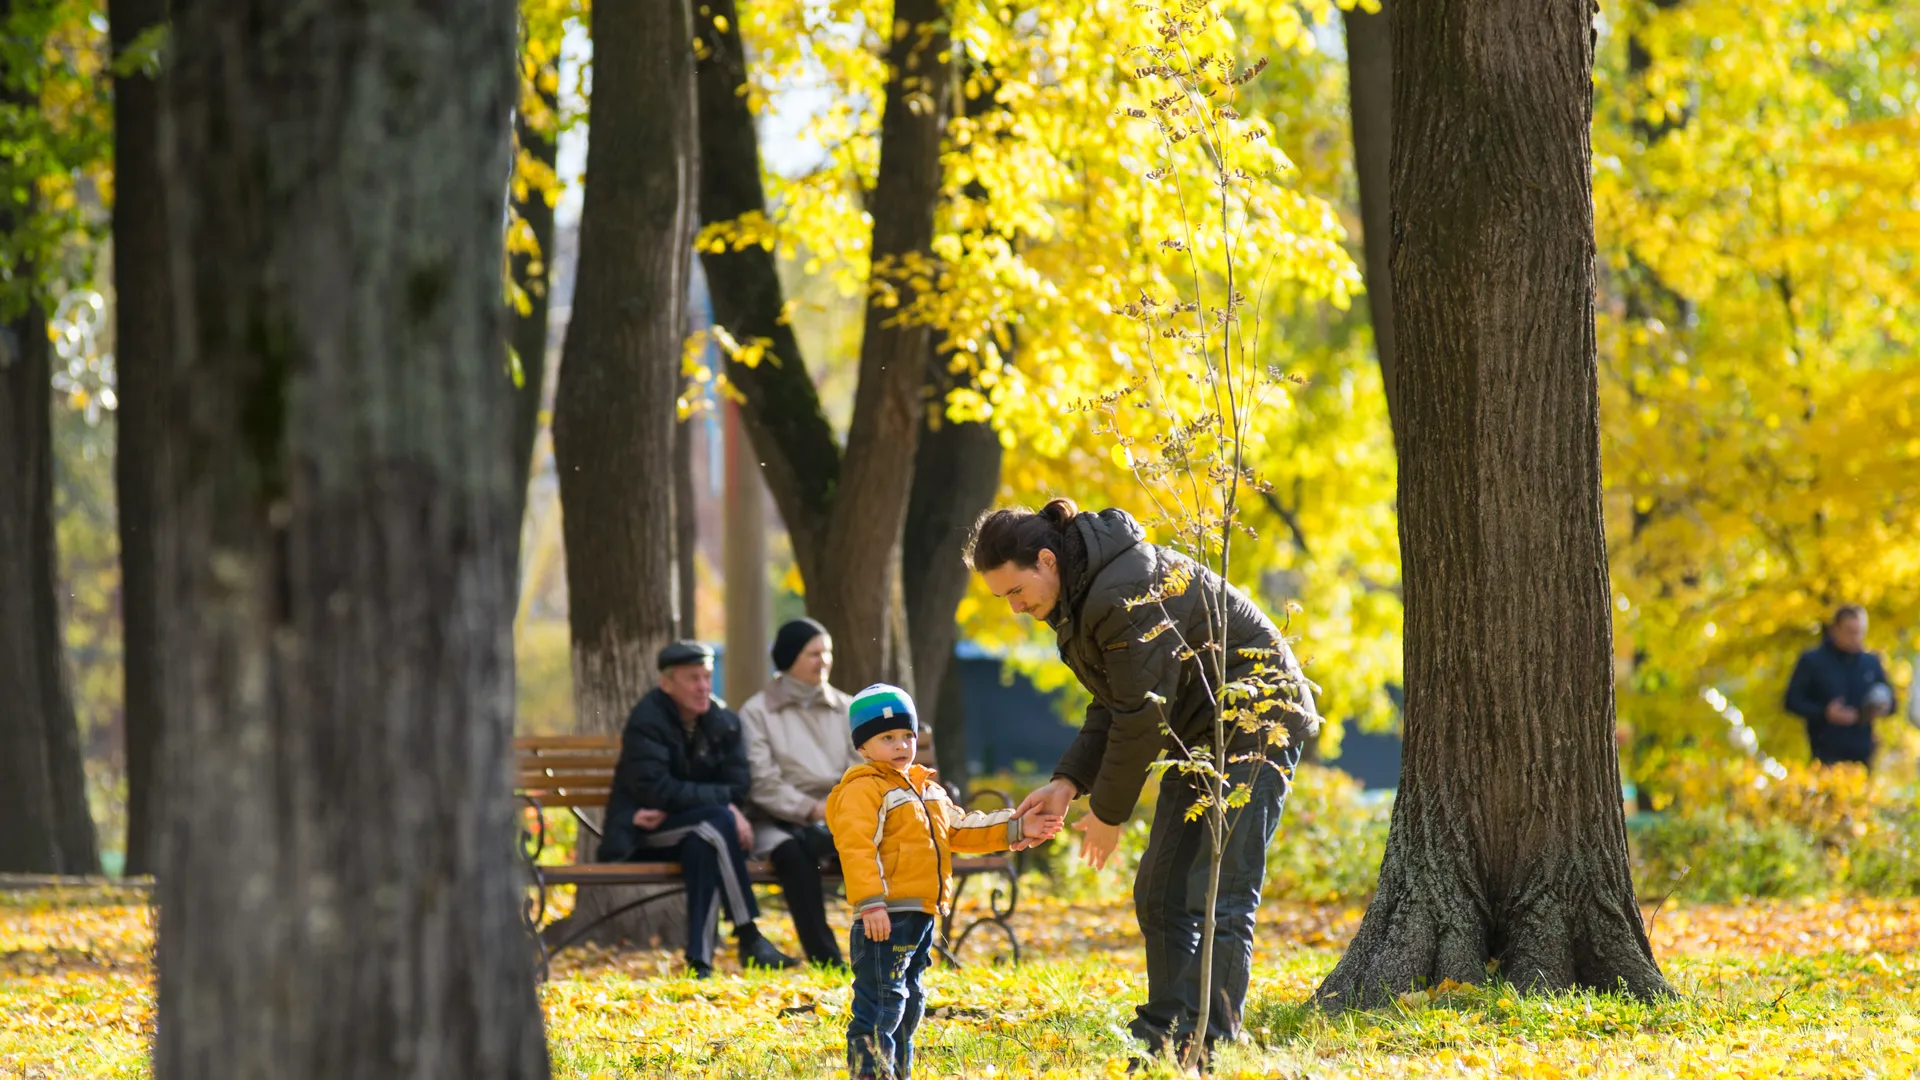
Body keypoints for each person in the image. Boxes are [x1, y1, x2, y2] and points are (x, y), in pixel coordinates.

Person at [965, 499, 1319, 1063]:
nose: (1013, 607)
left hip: (1257, 720)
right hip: (1197, 733)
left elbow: (1141, 715)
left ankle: (1212, 1045)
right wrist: (1066, 782)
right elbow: (1116, 704)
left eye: (1014, 591)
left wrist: (1106, 815)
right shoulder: (1082, 599)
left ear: (1048, 561)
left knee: (1219, 888)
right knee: (1159, 888)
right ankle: (1165, 1033)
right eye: (1001, 597)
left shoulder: (1119, 591)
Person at [826, 683, 1063, 1080]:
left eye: (908, 736)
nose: (901, 745)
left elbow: (962, 828)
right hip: (885, 915)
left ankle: (898, 1070)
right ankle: (869, 1072)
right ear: (863, 747)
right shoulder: (864, 790)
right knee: (881, 1002)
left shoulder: (927, 790)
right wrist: (870, 902)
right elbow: (856, 847)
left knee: (910, 999)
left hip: (920, 915)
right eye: (888, 738)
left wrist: (1018, 826)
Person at [598, 640, 800, 977]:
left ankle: (700, 961)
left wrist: (715, 804)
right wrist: (723, 806)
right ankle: (749, 935)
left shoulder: (724, 722)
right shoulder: (647, 720)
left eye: (706, 676)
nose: (704, 686)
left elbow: (738, 785)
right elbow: (655, 789)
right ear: (666, 683)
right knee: (719, 819)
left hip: (696, 831)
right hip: (644, 834)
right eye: (693, 678)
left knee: (704, 840)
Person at [737, 618, 861, 968]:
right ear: (790, 657)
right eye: (813, 653)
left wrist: (840, 810)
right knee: (793, 853)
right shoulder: (757, 712)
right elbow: (763, 782)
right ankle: (827, 960)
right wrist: (813, 810)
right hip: (775, 820)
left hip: (841, 818)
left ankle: (896, 952)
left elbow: (863, 770)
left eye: (827, 652)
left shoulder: (847, 708)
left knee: (870, 847)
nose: (823, 661)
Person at [1784, 605, 1898, 767]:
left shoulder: (1871, 662)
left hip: (1863, 754)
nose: (1855, 637)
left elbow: (1893, 704)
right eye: (1850, 631)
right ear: (1834, 629)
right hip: (1825, 752)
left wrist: (1878, 708)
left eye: (1860, 632)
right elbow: (1792, 701)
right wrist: (1825, 713)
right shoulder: (1813, 660)